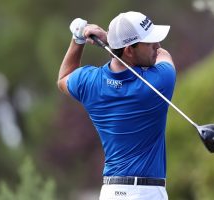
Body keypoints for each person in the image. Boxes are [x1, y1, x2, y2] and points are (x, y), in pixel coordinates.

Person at [57, 11, 176, 200]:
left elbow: (64, 77)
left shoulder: (90, 82)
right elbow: (163, 54)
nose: (156, 46)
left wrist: (77, 39)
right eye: (150, 42)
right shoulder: (159, 82)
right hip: (148, 193)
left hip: (111, 193)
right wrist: (110, 40)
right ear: (129, 50)